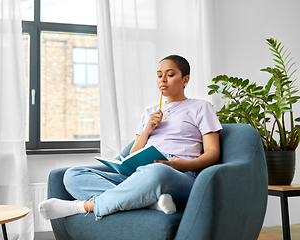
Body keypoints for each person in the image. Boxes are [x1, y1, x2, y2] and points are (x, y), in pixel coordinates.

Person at [38, 54, 222, 221]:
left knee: (156, 171)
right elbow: (132, 155)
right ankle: (149, 202)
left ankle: (81, 206)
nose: (163, 80)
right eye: (159, 75)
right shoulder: (150, 113)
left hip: (179, 175)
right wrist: (147, 130)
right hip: (140, 176)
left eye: (170, 74)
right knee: (72, 175)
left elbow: (213, 152)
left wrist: (180, 164)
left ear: (185, 79)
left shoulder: (201, 107)